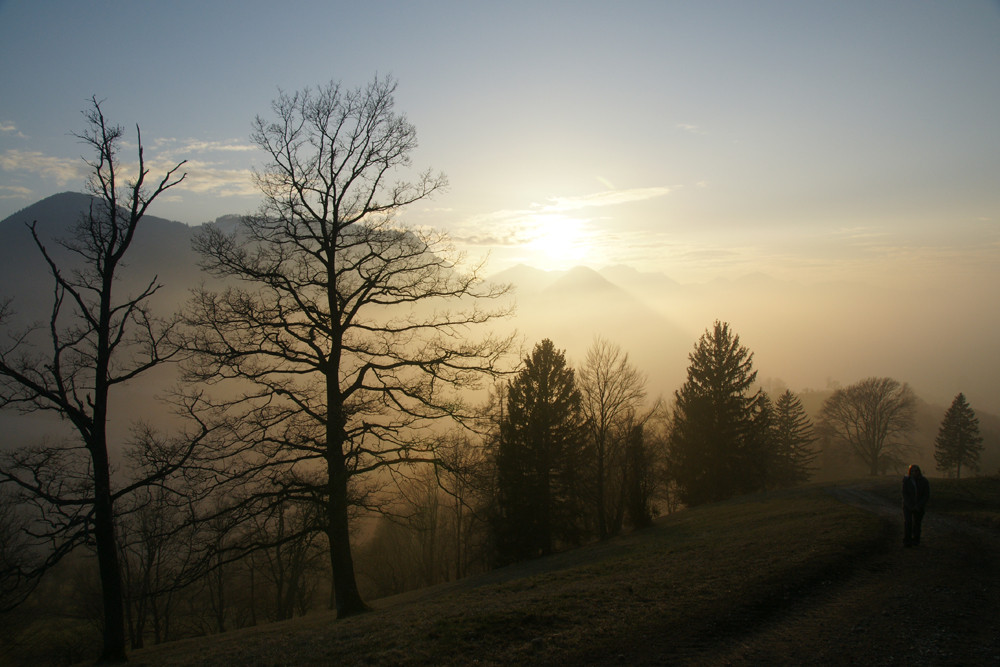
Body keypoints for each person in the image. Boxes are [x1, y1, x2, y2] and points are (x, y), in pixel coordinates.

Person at [902, 464, 930, 547]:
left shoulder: (924, 481)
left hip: (919, 506)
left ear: (919, 472)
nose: (915, 473)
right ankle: (907, 540)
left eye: (916, 471)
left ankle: (916, 540)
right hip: (908, 506)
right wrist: (910, 505)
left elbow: (926, 495)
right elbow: (904, 494)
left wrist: (919, 505)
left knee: (917, 524)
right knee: (908, 523)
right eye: (913, 471)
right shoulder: (906, 481)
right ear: (910, 472)